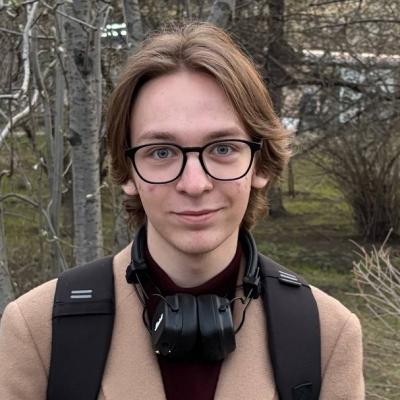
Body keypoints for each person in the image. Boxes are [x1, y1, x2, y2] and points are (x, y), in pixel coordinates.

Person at [0, 23, 364, 399]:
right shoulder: (39, 330)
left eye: (223, 148)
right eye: (161, 152)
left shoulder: (327, 336)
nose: (194, 184)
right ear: (127, 172)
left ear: (261, 164)